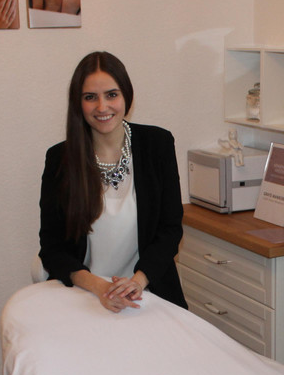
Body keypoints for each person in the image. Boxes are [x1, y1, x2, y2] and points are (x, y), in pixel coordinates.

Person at [39, 51, 187, 313]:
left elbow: (170, 230)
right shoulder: (60, 159)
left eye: (111, 94)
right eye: (90, 97)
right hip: (85, 295)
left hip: (148, 292)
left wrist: (137, 282)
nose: (102, 107)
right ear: (78, 103)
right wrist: (99, 287)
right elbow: (52, 248)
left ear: (126, 96)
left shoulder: (158, 145)